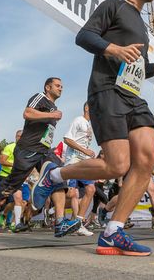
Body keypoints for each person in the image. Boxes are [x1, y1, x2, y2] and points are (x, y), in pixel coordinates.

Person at [31, 0, 154, 256]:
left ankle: (113, 231)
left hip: (133, 96)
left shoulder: (141, 26)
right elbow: (84, 36)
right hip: (106, 91)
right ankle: (54, 175)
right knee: (117, 165)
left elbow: (140, 68)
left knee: (147, 158)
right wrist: (113, 48)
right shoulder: (113, 6)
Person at [0, 78, 80, 238]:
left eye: (62, 86)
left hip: (44, 151)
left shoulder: (53, 106)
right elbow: (27, 113)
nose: (61, 88)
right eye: (57, 86)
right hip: (28, 149)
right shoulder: (40, 97)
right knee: (11, 185)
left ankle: (60, 223)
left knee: (57, 177)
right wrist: (52, 114)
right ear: (48, 87)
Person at [63, 102, 95, 237]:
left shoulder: (90, 125)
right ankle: (53, 210)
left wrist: (89, 154)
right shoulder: (78, 120)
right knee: (71, 194)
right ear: (87, 108)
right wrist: (84, 151)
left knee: (91, 189)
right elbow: (67, 139)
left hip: (85, 162)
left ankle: (78, 223)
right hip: (74, 160)